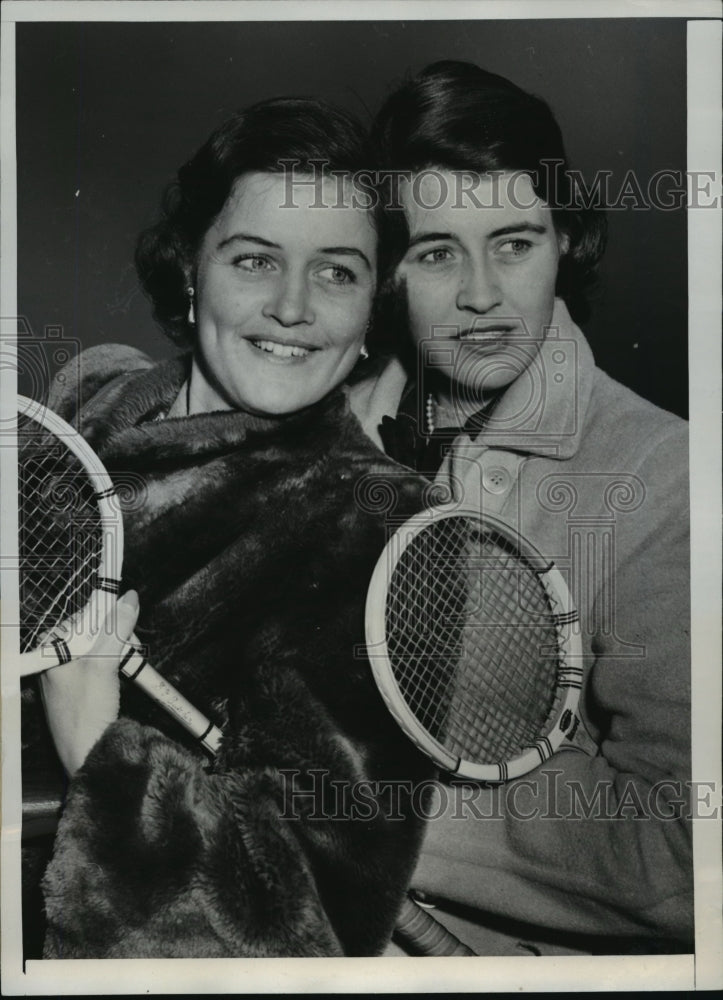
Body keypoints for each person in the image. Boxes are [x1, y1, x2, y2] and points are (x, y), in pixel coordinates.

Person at [28, 97, 434, 958]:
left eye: (336, 273)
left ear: (371, 312)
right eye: (254, 259)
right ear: (189, 270)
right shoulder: (84, 405)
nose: (291, 307)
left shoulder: (384, 529)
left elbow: (307, 927)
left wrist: (103, 748)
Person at [348, 61, 692, 956]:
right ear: (386, 272)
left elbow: (686, 851)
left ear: (565, 242)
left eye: (514, 243)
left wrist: (357, 803)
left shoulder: (669, 477)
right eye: (434, 252)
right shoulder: (331, 422)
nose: (481, 296)